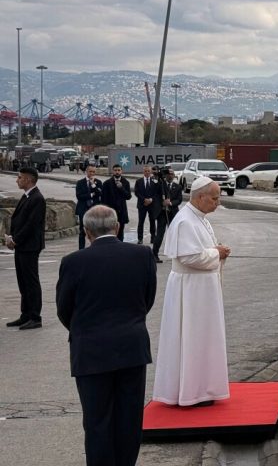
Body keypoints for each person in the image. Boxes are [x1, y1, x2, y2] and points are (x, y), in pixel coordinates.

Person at [56, 205, 157, 466]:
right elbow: (147, 300)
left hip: (90, 351)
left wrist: (85, 330)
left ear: (86, 232)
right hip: (131, 348)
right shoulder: (142, 255)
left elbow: (65, 309)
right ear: (118, 226)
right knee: (129, 418)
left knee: (97, 420)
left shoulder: (73, 262)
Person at [153, 177, 232, 407]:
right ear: (200, 197)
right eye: (215, 198)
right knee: (192, 339)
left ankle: (202, 388)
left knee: (202, 339)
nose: (218, 202)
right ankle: (191, 392)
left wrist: (217, 251)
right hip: (191, 291)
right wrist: (217, 253)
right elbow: (188, 257)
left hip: (201, 290)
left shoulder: (200, 218)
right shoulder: (186, 221)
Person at [5, 167, 46, 330]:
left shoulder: (37, 198)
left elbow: (31, 224)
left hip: (29, 246)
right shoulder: (27, 196)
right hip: (22, 246)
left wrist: (15, 240)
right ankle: (25, 314)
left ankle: (35, 316)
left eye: (20, 177)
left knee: (31, 282)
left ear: (29, 180)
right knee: (23, 281)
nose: (17, 180)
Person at [152, 166, 183, 263]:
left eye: (172, 174)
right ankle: (154, 254)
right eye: (168, 173)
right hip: (162, 213)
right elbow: (155, 196)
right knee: (160, 235)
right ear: (165, 175)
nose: (170, 175)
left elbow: (179, 199)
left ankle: (177, 254)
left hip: (173, 213)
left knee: (176, 234)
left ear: (174, 175)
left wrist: (170, 203)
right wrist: (162, 203)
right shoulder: (159, 185)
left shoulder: (177, 187)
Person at [75, 165, 104, 250]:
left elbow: (100, 193)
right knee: (82, 230)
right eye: (90, 171)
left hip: (94, 209)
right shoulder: (80, 183)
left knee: (95, 230)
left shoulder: (98, 182)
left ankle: (95, 248)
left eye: (93, 172)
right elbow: (79, 196)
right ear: (86, 172)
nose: (92, 173)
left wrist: (93, 186)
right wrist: (91, 195)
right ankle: (81, 249)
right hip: (83, 209)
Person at [102, 164, 132, 241]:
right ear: (113, 171)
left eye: (119, 170)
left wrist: (121, 188)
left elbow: (128, 196)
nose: (117, 172)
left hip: (122, 211)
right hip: (111, 212)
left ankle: (120, 248)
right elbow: (104, 199)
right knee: (110, 232)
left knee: (120, 232)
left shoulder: (125, 182)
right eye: (115, 170)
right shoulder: (107, 183)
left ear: (121, 171)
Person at [134, 165, 162, 245]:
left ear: (151, 172)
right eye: (145, 171)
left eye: (148, 171)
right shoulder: (139, 181)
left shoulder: (155, 181)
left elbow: (157, 192)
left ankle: (153, 238)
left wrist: (151, 199)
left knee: (152, 221)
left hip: (152, 205)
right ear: (143, 172)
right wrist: (144, 199)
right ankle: (140, 239)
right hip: (142, 205)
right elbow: (137, 192)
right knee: (141, 222)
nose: (147, 172)